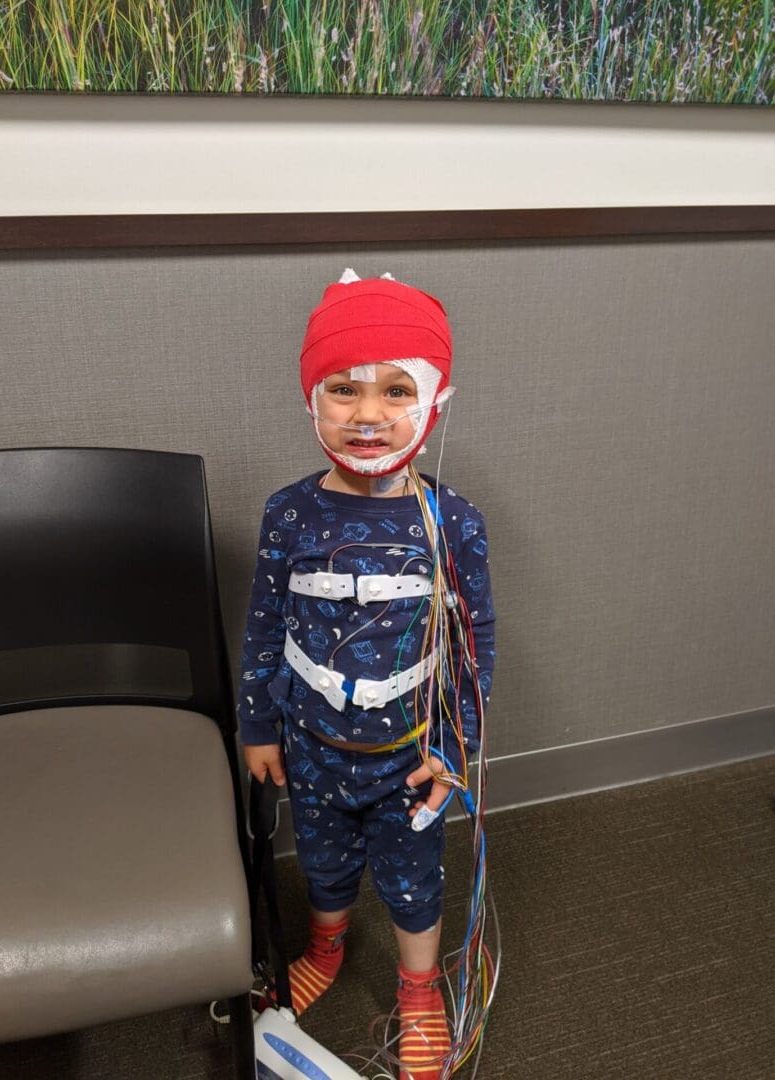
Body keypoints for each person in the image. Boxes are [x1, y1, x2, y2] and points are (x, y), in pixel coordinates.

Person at [238, 269, 495, 1080]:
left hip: (409, 756)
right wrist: (256, 724)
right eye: (343, 389)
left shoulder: (451, 520)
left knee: (415, 884)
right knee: (323, 865)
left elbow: (474, 640)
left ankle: (419, 990)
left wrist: (457, 748)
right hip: (310, 747)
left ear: (434, 402)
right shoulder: (289, 513)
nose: (369, 415)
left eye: (395, 390)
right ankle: (325, 943)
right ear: (311, 400)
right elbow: (263, 623)